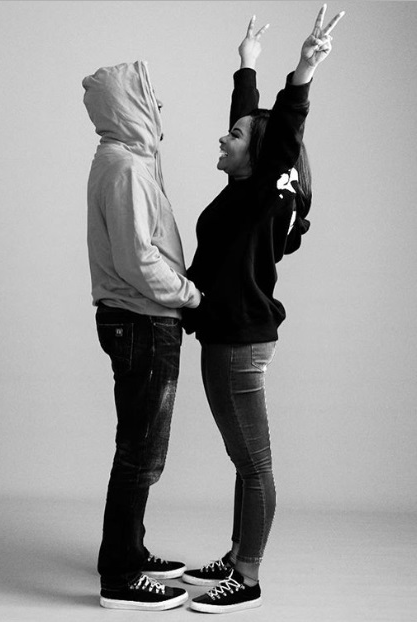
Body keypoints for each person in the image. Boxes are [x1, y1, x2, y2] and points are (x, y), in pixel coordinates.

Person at [181, 6, 345, 614]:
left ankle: (247, 577)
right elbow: (250, 126)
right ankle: (235, 555)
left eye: (234, 135)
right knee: (243, 461)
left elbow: (278, 134)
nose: (223, 137)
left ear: (260, 157)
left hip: (239, 341)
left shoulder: (262, 194)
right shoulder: (243, 189)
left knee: (254, 466)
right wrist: (246, 64)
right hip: (225, 337)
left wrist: (303, 70)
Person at [82, 60, 202, 611]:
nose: (159, 105)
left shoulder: (127, 160)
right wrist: (191, 295)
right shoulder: (126, 167)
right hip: (143, 320)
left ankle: (129, 552)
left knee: (141, 448)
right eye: (150, 95)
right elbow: (137, 261)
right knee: (139, 452)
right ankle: (120, 577)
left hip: (139, 319)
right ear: (128, 104)